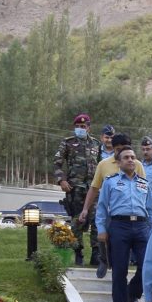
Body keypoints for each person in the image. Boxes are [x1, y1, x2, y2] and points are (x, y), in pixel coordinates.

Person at [96, 146, 152, 302]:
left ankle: (133, 293)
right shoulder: (110, 182)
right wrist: (101, 229)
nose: (131, 160)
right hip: (119, 226)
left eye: (133, 157)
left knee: (148, 266)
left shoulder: (144, 184)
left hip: (141, 227)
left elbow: (150, 210)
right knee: (120, 270)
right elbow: (101, 208)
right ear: (119, 163)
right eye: (126, 157)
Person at [79, 133, 146, 278]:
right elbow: (94, 187)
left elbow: (143, 189)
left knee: (125, 249)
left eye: (124, 149)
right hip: (109, 210)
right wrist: (85, 208)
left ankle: (120, 270)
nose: (121, 153)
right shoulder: (104, 164)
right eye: (117, 150)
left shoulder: (137, 165)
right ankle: (104, 259)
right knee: (102, 235)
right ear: (112, 149)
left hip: (129, 213)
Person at [54, 113, 101, 266]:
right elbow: (57, 163)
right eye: (78, 126)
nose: (80, 129)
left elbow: (101, 166)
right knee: (77, 221)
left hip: (93, 189)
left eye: (83, 126)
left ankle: (96, 253)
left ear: (89, 128)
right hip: (75, 189)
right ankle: (78, 251)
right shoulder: (67, 143)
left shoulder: (96, 144)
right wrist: (61, 180)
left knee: (96, 221)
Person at [141, 136, 152, 203]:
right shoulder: (140, 166)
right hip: (144, 201)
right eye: (143, 149)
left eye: (148, 149)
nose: (145, 152)